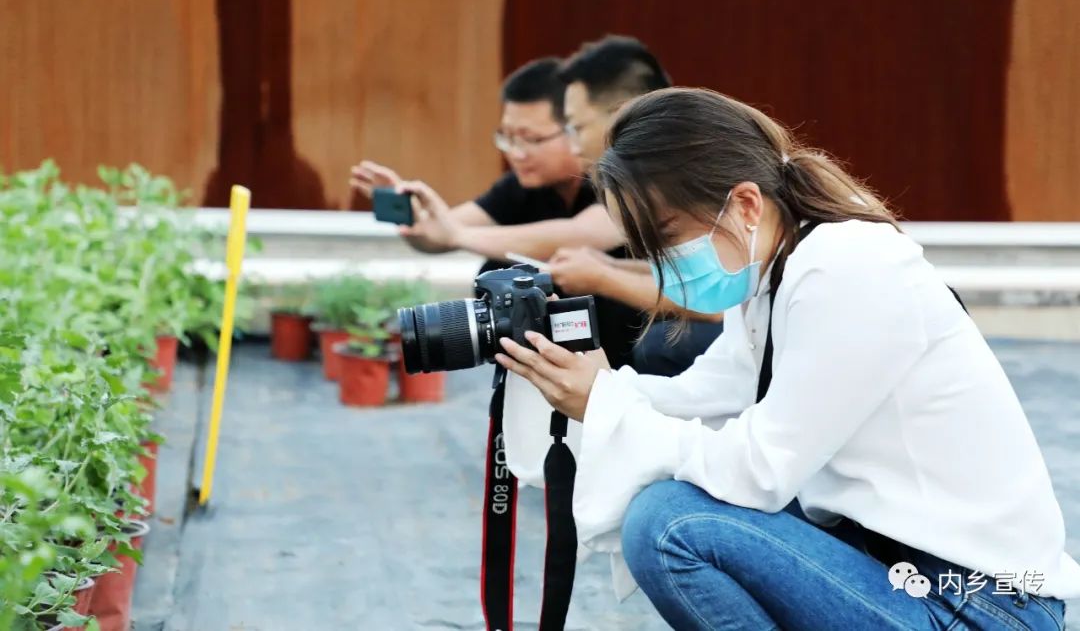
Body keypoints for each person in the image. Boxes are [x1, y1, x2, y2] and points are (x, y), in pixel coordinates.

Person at [494, 87, 1078, 629]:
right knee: (671, 509)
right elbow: (704, 400)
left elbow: (761, 470)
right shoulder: (778, 273)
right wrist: (585, 385)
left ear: (745, 203)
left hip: (979, 604)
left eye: (669, 236)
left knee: (672, 525)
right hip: (899, 572)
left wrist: (607, 404)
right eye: (649, 249)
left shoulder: (845, 268)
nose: (666, 264)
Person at [350, 56, 640, 367]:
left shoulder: (625, 177)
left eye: (530, 139)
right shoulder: (522, 188)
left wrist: (457, 234)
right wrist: (409, 213)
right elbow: (438, 237)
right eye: (508, 137)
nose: (515, 152)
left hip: (638, 361)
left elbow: (581, 234)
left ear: (576, 127)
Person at [552, 36, 724, 375]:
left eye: (578, 127)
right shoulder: (655, 167)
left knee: (664, 344)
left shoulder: (682, 169)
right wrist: (606, 268)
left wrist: (603, 277)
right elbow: (690, 272)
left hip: (773, 323)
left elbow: (717, 301)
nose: (573, 145)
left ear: (618, 115)